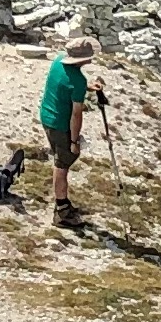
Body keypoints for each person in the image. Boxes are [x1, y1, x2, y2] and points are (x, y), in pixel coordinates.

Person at [39, 36, 99, 226]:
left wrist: (87, 87)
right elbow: (76, 115)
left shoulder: (58, 61)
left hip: (47, 116)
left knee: (60, 158)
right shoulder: (78, 81)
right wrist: (74, 141)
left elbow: (65, 84)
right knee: (62, 163)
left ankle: (63, 203)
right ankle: (62, 210)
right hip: (60, 124)